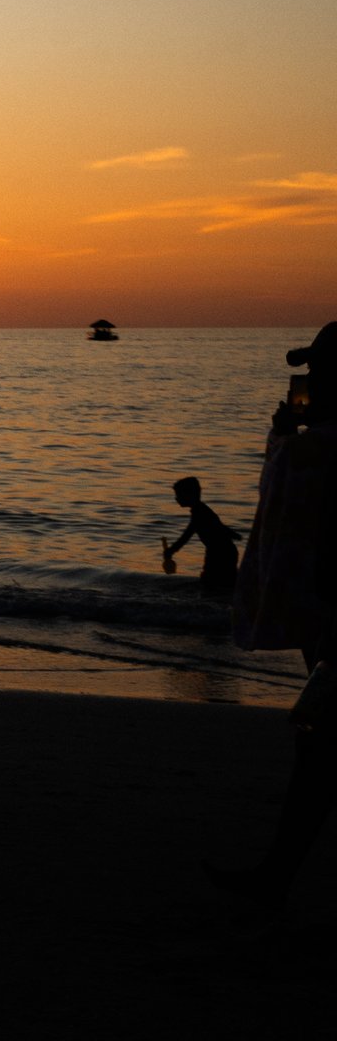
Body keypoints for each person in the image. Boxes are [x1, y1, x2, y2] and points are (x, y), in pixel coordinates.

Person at [217, 325, 337, 910]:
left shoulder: (315, 449)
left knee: (317, 750)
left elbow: (281, 518)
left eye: (318, 375)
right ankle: (277, 875)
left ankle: (277, 877)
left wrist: (282, 440)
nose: (308, 386)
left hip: (335, 627)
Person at [162, 476, 240, 598]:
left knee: (210, 582)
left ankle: (212, 608)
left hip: (219, 552)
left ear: (190, 495)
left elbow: (186, 536)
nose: (176, 498)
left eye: (179, 495)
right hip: (226, 550)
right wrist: (234, 535)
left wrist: (171, 550)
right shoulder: (203, 510)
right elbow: (220, 526)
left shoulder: (199, 513)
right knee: (225, 583)